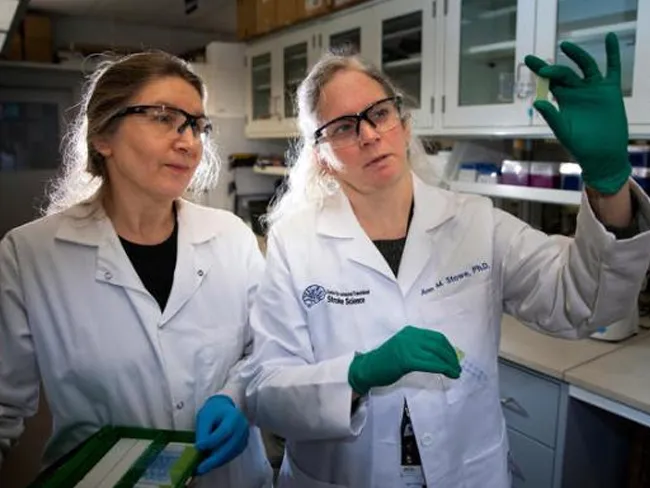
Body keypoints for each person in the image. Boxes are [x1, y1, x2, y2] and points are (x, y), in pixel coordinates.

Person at [242, 33, 650, 488]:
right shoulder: (295, 245)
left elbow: (585, 304)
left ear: (404, 122)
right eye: (342, 127)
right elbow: (265, 392)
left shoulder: (475, 222)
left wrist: (610, 184)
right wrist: (355, 375)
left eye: (379, 114)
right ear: (320, 156)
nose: (370, 135)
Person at [0, 51, 272, 487]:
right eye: (164, 117)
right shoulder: (29, 255)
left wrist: (235, 397)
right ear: (104, 137)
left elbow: (266, 348)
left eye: (197, 125)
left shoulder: (231, 237)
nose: (189, 141)